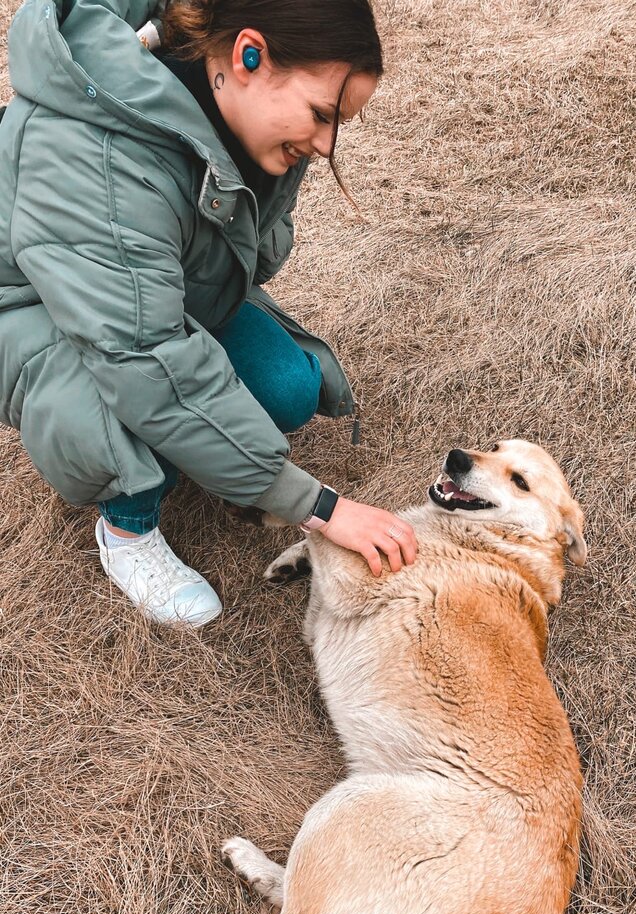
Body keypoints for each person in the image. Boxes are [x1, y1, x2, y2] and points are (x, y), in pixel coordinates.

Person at [0, 0, 417, 627]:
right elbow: (147, 361)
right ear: (249, 55)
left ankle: (205, 456)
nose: (327, 143)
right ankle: (128, 529)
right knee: (133, 399)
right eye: (321, 115)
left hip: (142, 304)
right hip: (36, 314)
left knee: (286, 385)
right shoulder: (103, 162)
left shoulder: (229, 106)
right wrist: (319, 506)